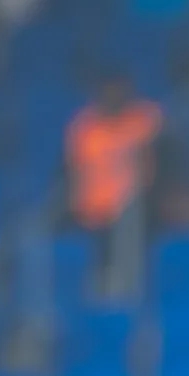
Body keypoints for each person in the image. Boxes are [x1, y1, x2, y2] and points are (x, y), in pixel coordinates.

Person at [65, 73, 163, 287]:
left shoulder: (143, 119)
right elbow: (72, 171)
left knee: (136, 222)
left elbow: (160, 155)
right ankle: (102, 282)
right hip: (94, 211)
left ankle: (131, 283)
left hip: (137, 206)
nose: (113, 97)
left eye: (118, 92)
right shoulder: (85, 127)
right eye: (108, 93)